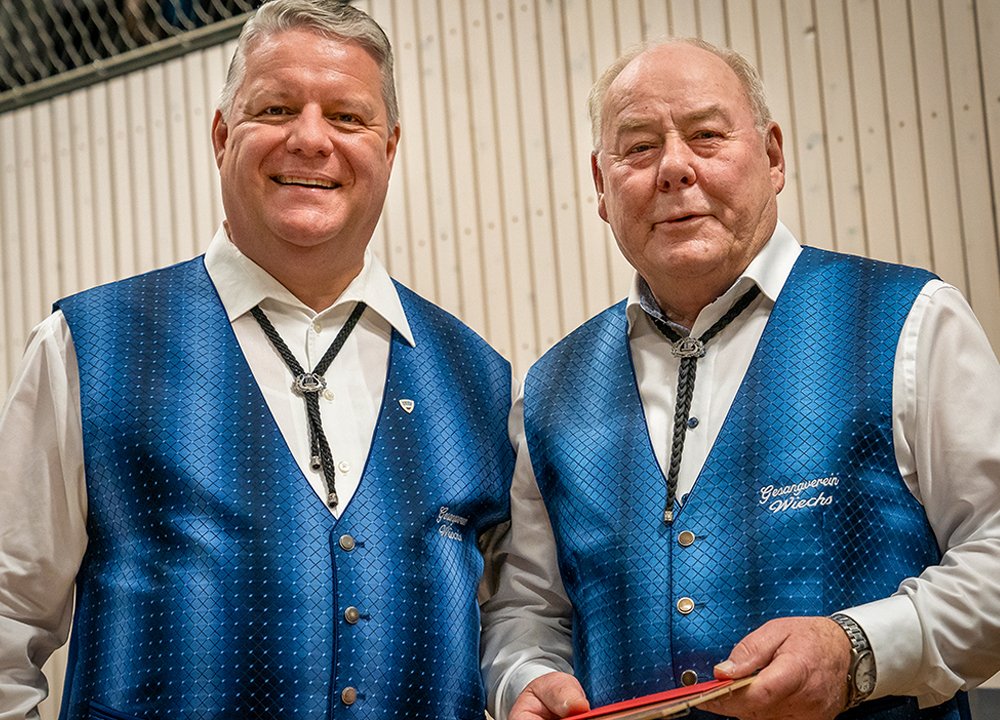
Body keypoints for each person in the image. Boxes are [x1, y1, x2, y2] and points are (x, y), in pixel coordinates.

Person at [0, 1, 514, 718]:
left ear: (389, 147)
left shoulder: (479, 379)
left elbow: (514, 631)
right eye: (275, 108)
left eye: (347, 116)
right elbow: (7, 615)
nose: (310, 139)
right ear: (221, 135)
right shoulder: (84, 347)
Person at [480, 38, 1000, 720]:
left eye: (706, 135)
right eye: (638, 148)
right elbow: (528, 609)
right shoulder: (550, 390)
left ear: (774, 155)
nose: (673, 167)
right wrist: (524, 676)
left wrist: (857, 649)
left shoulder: (910, 321)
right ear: (601, 187)